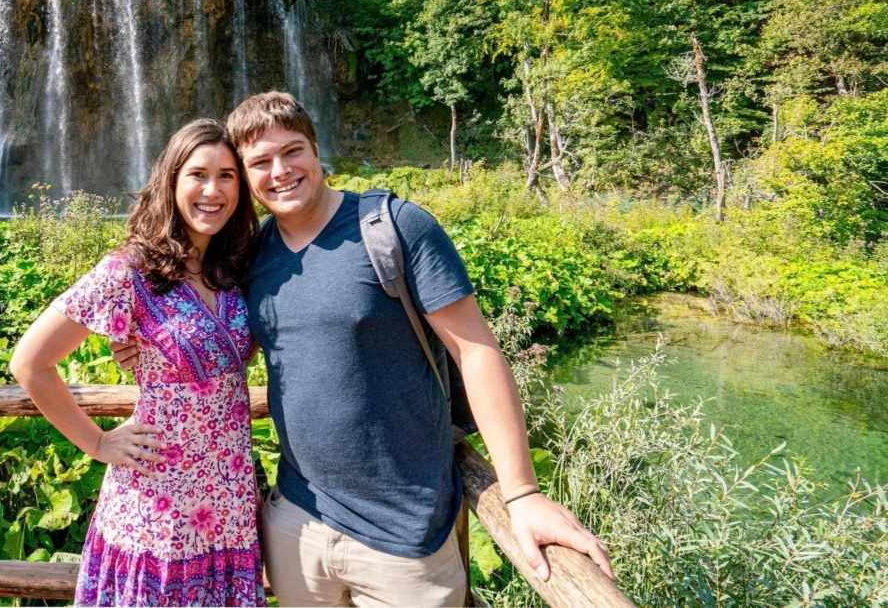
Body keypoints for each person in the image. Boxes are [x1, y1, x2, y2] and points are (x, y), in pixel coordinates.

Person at [113, 93, 612, 607]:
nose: (280, 171)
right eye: (259, 162)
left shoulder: (395, 227)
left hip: (406, 533)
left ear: (317, 148)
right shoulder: (251, 254)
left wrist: (523, 494)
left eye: (293, 151)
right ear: (244, 176)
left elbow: (477, 352)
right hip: (296, 525)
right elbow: (215, 329)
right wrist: (140, 340)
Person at [10, 119, 265, 607]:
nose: (213, 190)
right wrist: (97, 441)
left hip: (228, 499)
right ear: (171, 180)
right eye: (198, 174)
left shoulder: (234, 267)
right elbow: (29, 361)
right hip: (157, 502)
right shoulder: (129, 270)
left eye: (228, 175)